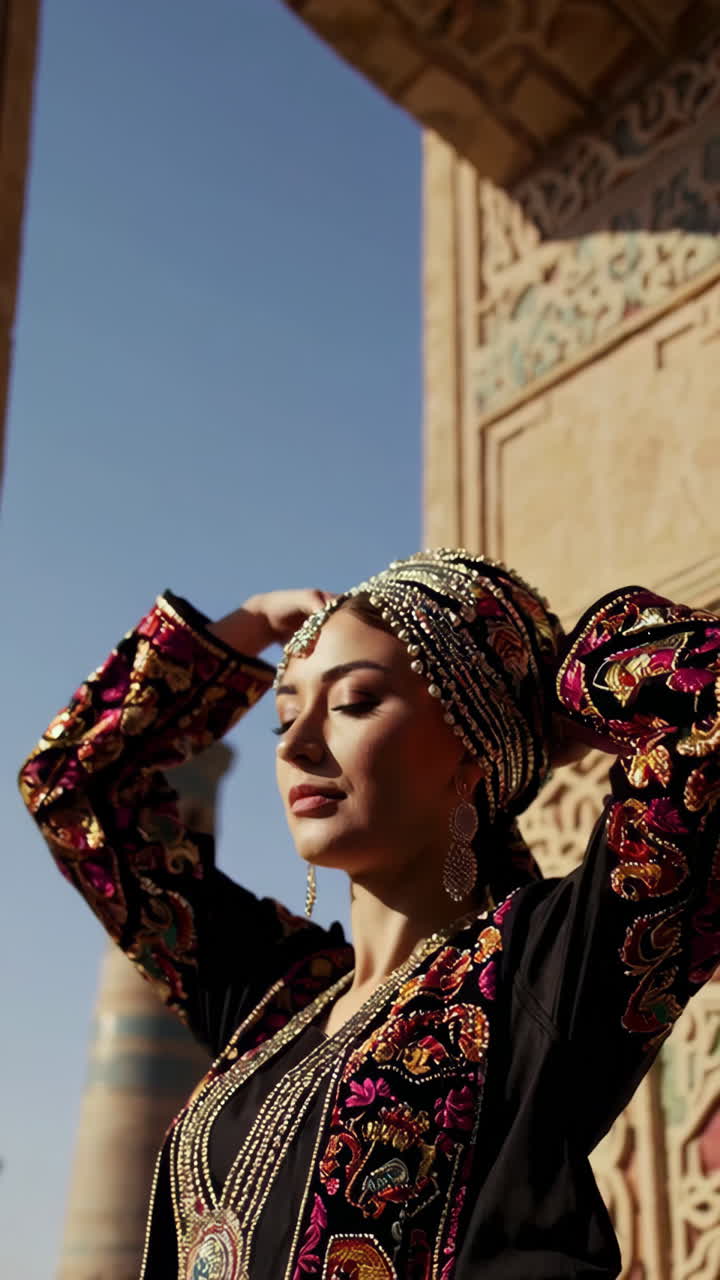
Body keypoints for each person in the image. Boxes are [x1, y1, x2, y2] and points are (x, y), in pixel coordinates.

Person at [19, 549, 720, 1280]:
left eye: (353, 702)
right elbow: (73, 792)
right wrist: (250, 626)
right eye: (285, 714)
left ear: (471, 754)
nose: (296, 742)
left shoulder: (541, 972)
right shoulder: (274, 1000)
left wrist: (553, 679)